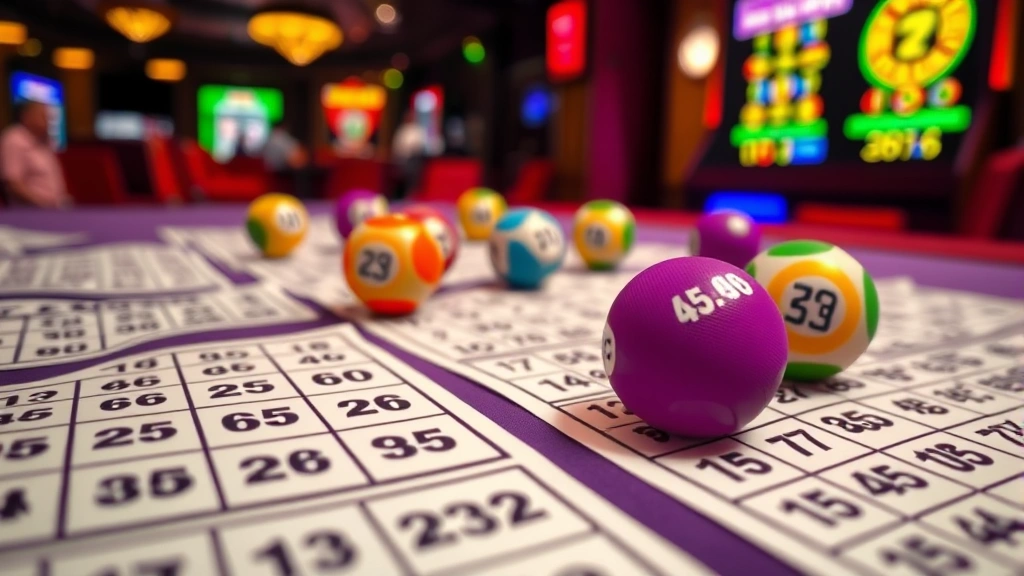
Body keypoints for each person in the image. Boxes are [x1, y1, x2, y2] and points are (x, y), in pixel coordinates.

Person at [1, 101, 71, 208]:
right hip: (29, 212)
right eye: (43, 116)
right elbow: (12, 184)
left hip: (55, 209)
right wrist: (43, 204)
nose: (48, 121)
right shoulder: (14, 139)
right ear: (26, 116)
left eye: (48, 117)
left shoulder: (44, 140)